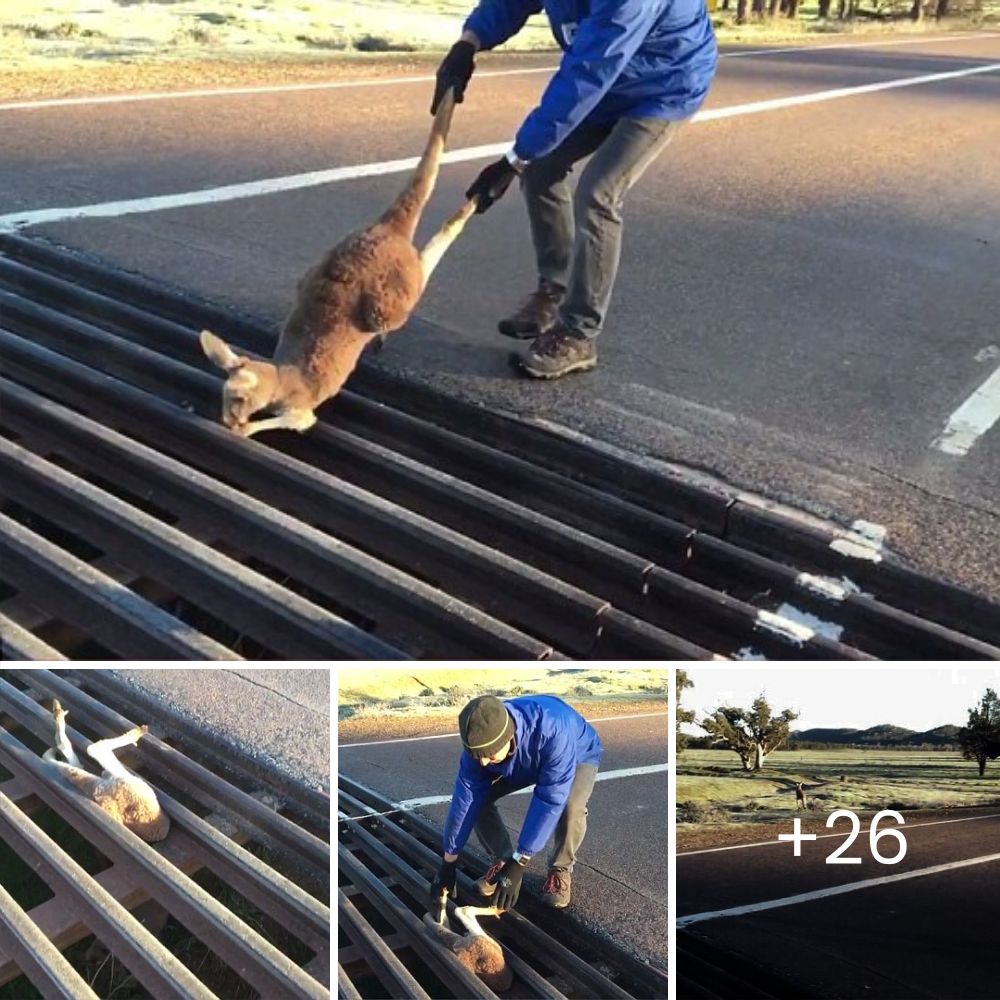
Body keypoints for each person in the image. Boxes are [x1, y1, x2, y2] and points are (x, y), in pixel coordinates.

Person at [430, 0, 717, 379]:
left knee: (598, 193)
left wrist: (513, 160)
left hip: (663, 85)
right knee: (541, 168)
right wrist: (469, 42)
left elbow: (589, 71)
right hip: (606, 80)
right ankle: (554, 290)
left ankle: (579, 333)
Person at [429, 694, 602, 910]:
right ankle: (501, 861)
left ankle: (560, 869)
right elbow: (465, 802)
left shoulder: (554, 731)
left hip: (576, 754)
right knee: (478, 801)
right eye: (477, 755)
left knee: (570, 807)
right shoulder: (479, 750)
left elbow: (549, 800)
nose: (482, 761)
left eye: (489, 754)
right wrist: (448, 863)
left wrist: (521, 860)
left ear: (507, 736)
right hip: (520, 758)